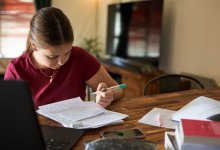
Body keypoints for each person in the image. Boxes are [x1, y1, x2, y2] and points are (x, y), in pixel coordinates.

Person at [4, 7, 123, 108]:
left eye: (67, 52)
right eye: (52, 56)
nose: (61, 62)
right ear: (34, 45)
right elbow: (9, 112)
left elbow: (118, 88)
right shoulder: (16, 69)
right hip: (38, 133)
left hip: (78, 130)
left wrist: (110, 93)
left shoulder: (80, 57)